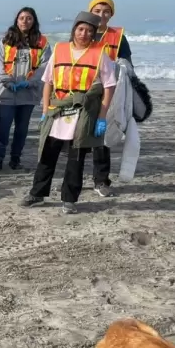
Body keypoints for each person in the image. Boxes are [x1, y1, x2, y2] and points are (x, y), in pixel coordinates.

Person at [23, 12, 117, 214]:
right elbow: (47, 81)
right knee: (47, 154)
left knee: (76, 157)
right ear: (74, 29)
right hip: (58, 109)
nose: (84, 33)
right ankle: (37, 193)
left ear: (93, 34)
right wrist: (45, 109)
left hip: (82, 112)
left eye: (89, 31)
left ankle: (69, 200)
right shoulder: (59, 49)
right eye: (81, 29)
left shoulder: (101, 53)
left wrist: (102, 116)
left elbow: (109, 86)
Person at [0, 7, 50, 171]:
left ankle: (15, 158)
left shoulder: (42, 42)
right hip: (7, 92)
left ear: (34, 21)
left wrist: (30, 82)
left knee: (22, 129)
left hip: (28, 93)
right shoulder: (5, 40)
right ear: (17, 20)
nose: (25, 21)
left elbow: (45, 67)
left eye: (29, 18)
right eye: (22, 18)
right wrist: (6, 81)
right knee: (3, 127)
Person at [88, 0, 132, 197]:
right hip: (83, 90)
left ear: (111, 14)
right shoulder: (83, 31)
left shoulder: (118, 36)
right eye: (97, 11)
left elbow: (128, 65)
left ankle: (101, 180)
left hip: (108, 91)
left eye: (106, 11)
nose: (101, 15)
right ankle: (72, 180)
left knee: (102, 136)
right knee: (78, 137)